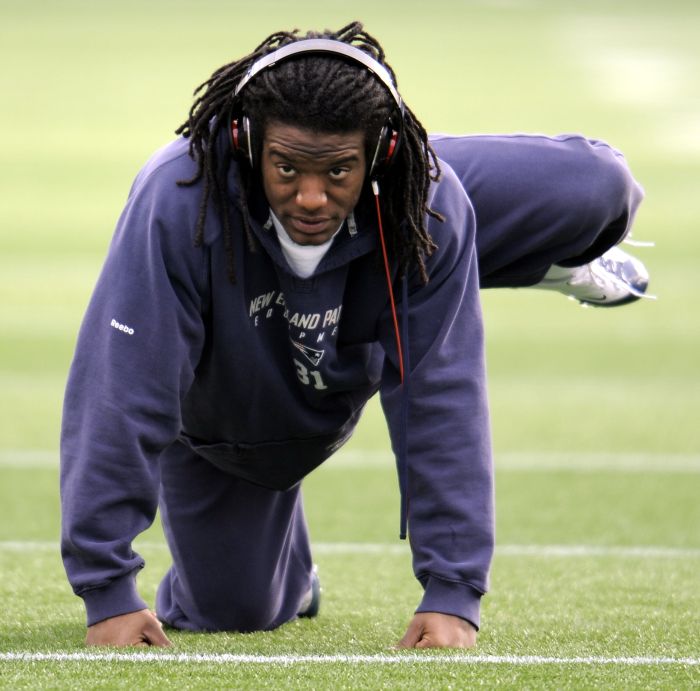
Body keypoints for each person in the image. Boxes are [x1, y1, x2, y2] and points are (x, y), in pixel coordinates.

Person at [60, 21, 649, 649]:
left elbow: (440, 399)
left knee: (593, 187)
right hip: (240, 413)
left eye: (336, 170)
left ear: (381, 151)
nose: (310, 197)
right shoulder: (179, 197)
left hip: (386, 238)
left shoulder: (424, 198)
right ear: (247, 141)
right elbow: (122, 388)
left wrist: (453, 589)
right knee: (236, 607)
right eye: (286, 168)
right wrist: (109, 589)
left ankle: (539, 258)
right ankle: (294, 571)